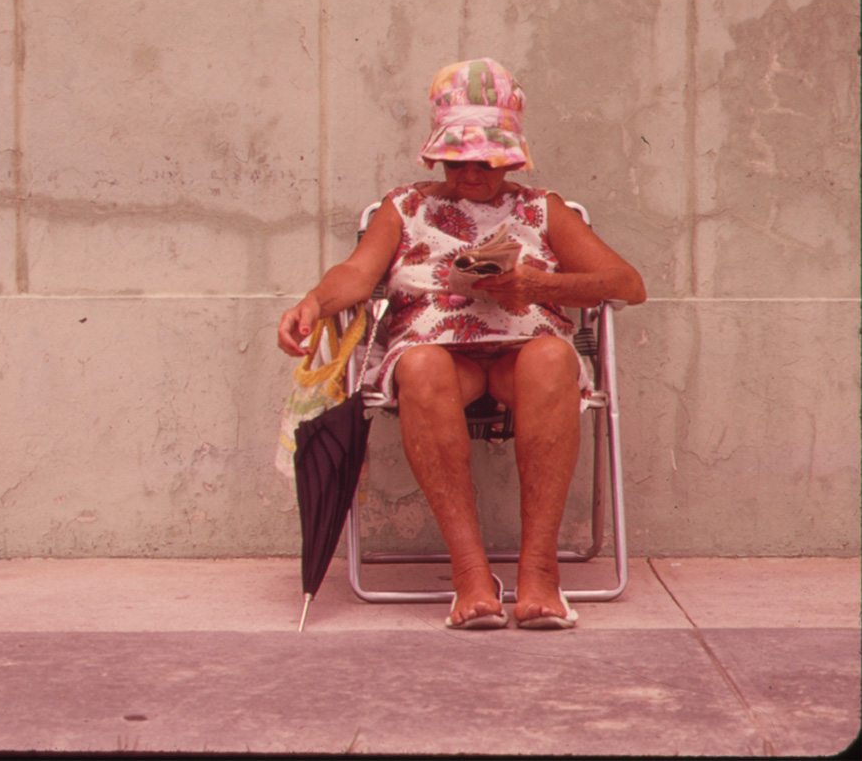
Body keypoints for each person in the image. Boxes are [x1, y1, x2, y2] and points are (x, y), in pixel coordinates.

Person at [276, 59, 646, 630]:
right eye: (456, 159)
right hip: (440, 357)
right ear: (436, 153)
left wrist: (537, 285)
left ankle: (540, 575)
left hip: (523, 353)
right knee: (421, 367)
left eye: (484, 160)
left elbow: (628, 285)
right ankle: (470, 574)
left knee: (552, 357)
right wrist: (313, 303)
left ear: (510, 157)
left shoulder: (542, 208)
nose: (469, 173)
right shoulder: (403, 208)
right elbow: (355, 273)